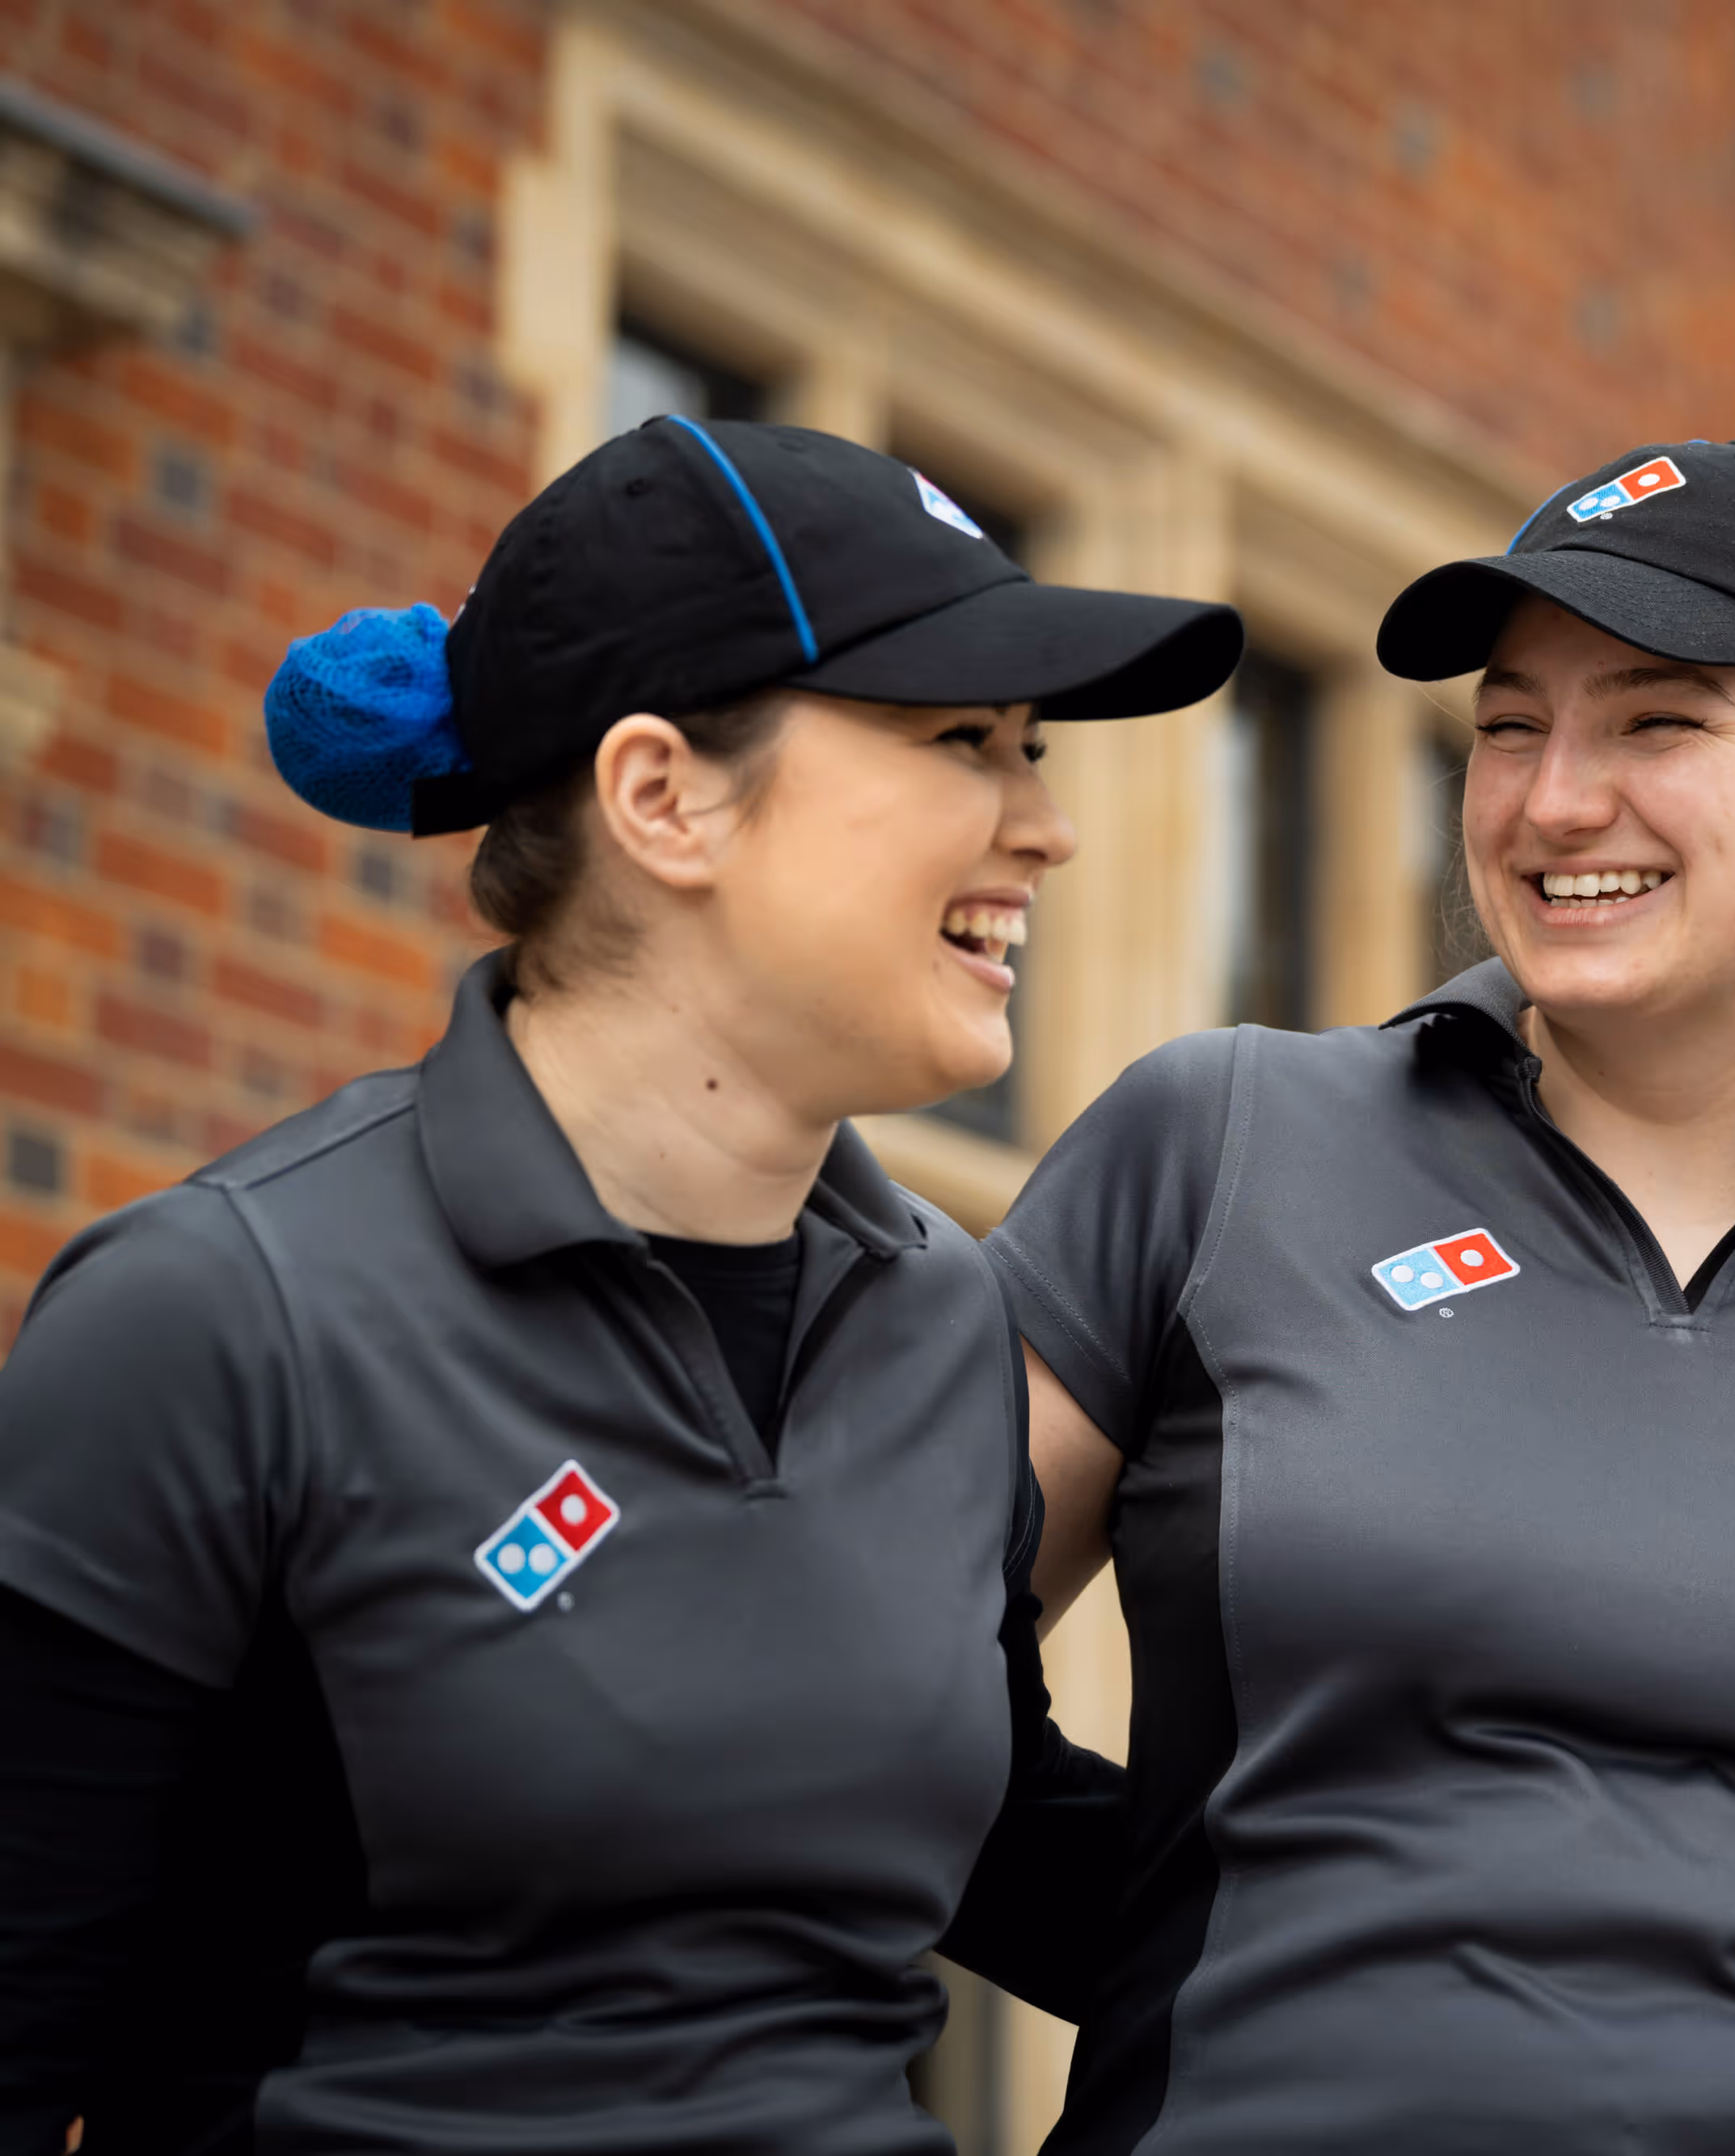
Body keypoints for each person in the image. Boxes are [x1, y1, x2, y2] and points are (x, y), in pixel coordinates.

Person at [0, 417, 1242, 2152]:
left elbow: (999, 1838)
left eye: (1030, 750)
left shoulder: (945, 1325)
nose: (1044, 827)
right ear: (663, 796)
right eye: (967, 739)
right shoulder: (220, 1315)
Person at [977, 442, 1735, 2154]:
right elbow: (865, 1669)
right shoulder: (1220, 1143)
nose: (1552, 798)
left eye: (1656, 720)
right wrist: (1223, 1954)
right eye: (1507, 723)